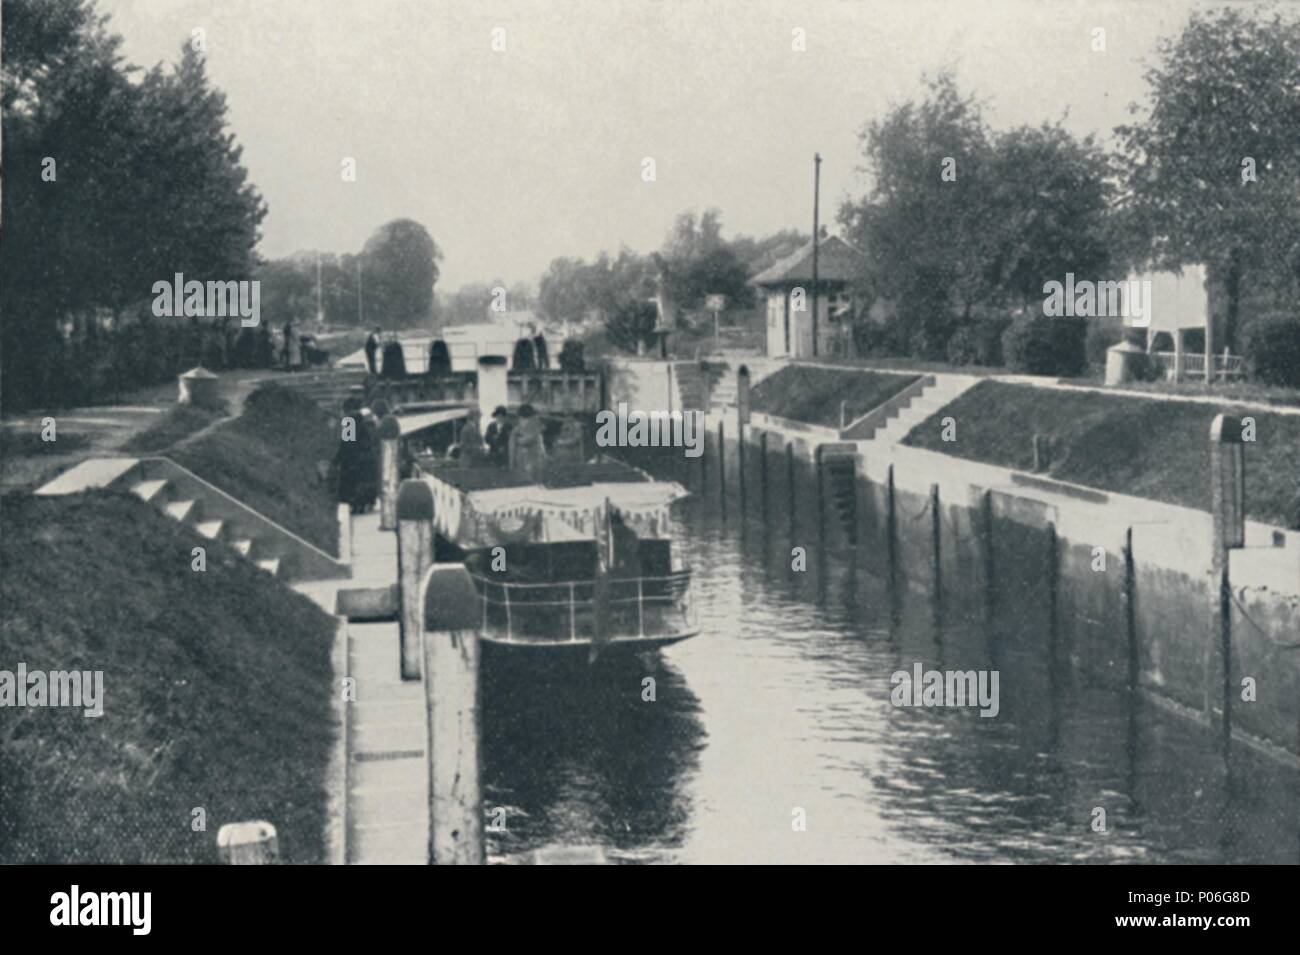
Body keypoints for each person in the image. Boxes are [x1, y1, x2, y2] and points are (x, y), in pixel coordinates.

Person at [508, 403, 547, 479]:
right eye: (524, 418)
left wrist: (544, 456)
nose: (527, 421)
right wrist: (511, 463)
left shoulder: (535, 429)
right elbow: (512, 448)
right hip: (524, 460)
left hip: (534, 460)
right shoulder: (516, 431)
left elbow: (541, 445)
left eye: (528, 418)